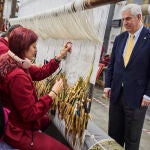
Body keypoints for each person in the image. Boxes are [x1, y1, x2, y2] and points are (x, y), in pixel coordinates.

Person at [0, 27, 72, 150]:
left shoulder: (10, 59)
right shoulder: (18, 76)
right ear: (23, 47)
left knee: (47, 120)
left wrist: (59, 56)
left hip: (12, 120)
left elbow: (39, 73)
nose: (36, 50)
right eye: (33, 46)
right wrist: (52, 94)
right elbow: (30, 113)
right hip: (17, 131)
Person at [104, 3, 150, 150]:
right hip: (116, 94)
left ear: (139, 17)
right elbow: (112, 64)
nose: (125, 23)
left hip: (137, 98)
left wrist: (148, 95)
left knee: (132, 139)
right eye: (123, 19)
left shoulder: (148, 38)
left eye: (128, 19)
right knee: (113, 135)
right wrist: (107, 85)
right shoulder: (120, 38)